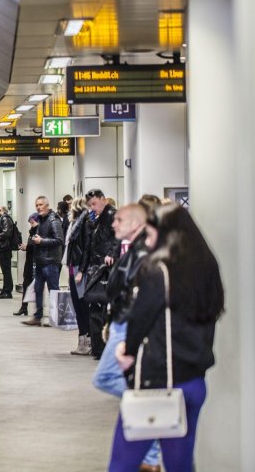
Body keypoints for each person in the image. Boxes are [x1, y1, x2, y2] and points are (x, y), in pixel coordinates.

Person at [109, 204, 224, 472]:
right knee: (179, 465)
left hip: (158, 383)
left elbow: (140, 319)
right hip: (194, 381)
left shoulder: (158, 271)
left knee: (122, 464)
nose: (148, 243)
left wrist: (127, 352)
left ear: (166, 236)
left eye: (150, 236)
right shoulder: (207, 269)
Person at [91, 203, 162, 471]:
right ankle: (151, 455)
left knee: (107, 378)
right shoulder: (134, 250)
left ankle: (153, 440)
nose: (113, 224)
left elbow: (139, 295)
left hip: (128, 325)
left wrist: (126, 327)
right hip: (122, 322)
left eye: (119, 220)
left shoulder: (143, 254)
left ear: (135, 224)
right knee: (123, 383)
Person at [77, 189, 121, 358]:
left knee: (102, 308)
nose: (92, 208)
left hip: (106, 269)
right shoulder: (96, 219)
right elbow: (90, 245)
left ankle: (102, 348)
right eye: (90, 205)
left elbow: (118, 236)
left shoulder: (112, 215)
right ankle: (98, 347)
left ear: (103, 199)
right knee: (95, 307)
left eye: (94, 204)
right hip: (97, 268)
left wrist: (112, 254)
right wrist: (83, 269)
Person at [21, 196, 64, 327]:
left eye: (41, 205)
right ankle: (37, 317)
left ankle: (54, 318)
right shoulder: (40, 220)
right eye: (37, 205)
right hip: (40, 261)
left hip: (51, 262)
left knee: (53, 291)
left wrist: (42, 241)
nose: (39, 207)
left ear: (47, 205)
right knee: (38, 289)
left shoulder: (53, 220)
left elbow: (59, 240)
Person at [64, 197, 91, 355]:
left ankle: (86, 341)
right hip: (74, 268)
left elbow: (85, 248)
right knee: (78, 305)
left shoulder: (82, 224)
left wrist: (81, 270)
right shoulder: (75, 225)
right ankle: (83, 341)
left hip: (78, 269)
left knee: (81, 306)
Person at [14, 213, 38, 316]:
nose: (31, 225)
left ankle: (38, 310)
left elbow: (37, 245)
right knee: (26, 284)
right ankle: (24, 308)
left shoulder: (39, 231)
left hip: (35, 262)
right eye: (30, 223)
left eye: (32, 222)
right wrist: (26, 246)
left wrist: (27, 247)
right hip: (29, 262)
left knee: (37, 287)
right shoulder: (32, 232)